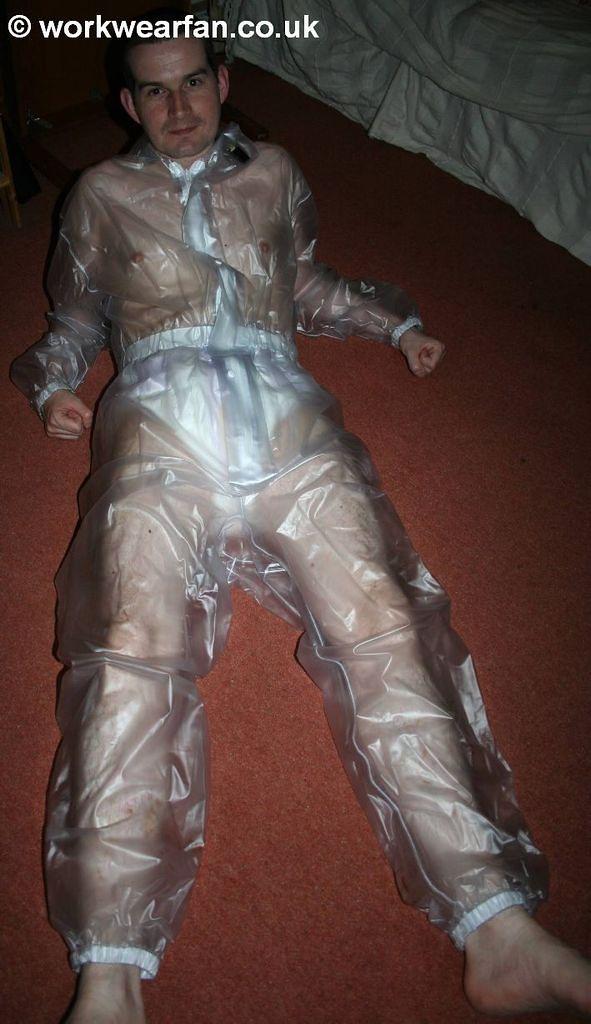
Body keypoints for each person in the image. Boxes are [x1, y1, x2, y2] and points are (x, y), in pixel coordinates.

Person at [10, 12, 591, 1024]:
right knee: (128, 646)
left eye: (194, 82)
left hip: (286, 418)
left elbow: (302, 281)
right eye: (154, 90)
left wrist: (391, 321)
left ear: (224, 81)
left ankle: (496, 924)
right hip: (158, 423)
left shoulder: (273, 173)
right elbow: (75, 316)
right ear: (127, 102)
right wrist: (52, 382)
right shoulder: (97, 194)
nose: (178, 106)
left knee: (382, 621)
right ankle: (108, 970)